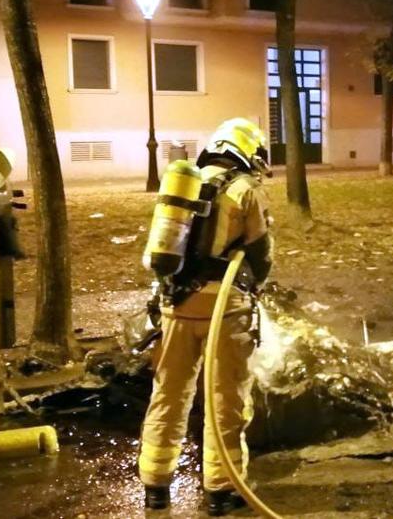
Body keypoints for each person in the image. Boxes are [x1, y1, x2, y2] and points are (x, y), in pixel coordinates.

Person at [138, 117, 274, 515]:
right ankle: (221, 490)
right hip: (224, 311)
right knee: (226, 401)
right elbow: (261, 254)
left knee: (168, 394)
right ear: (247, 151)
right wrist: (254, 285)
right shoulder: (246, 190)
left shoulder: (184, 183)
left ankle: (155, 485)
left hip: (175, 307)